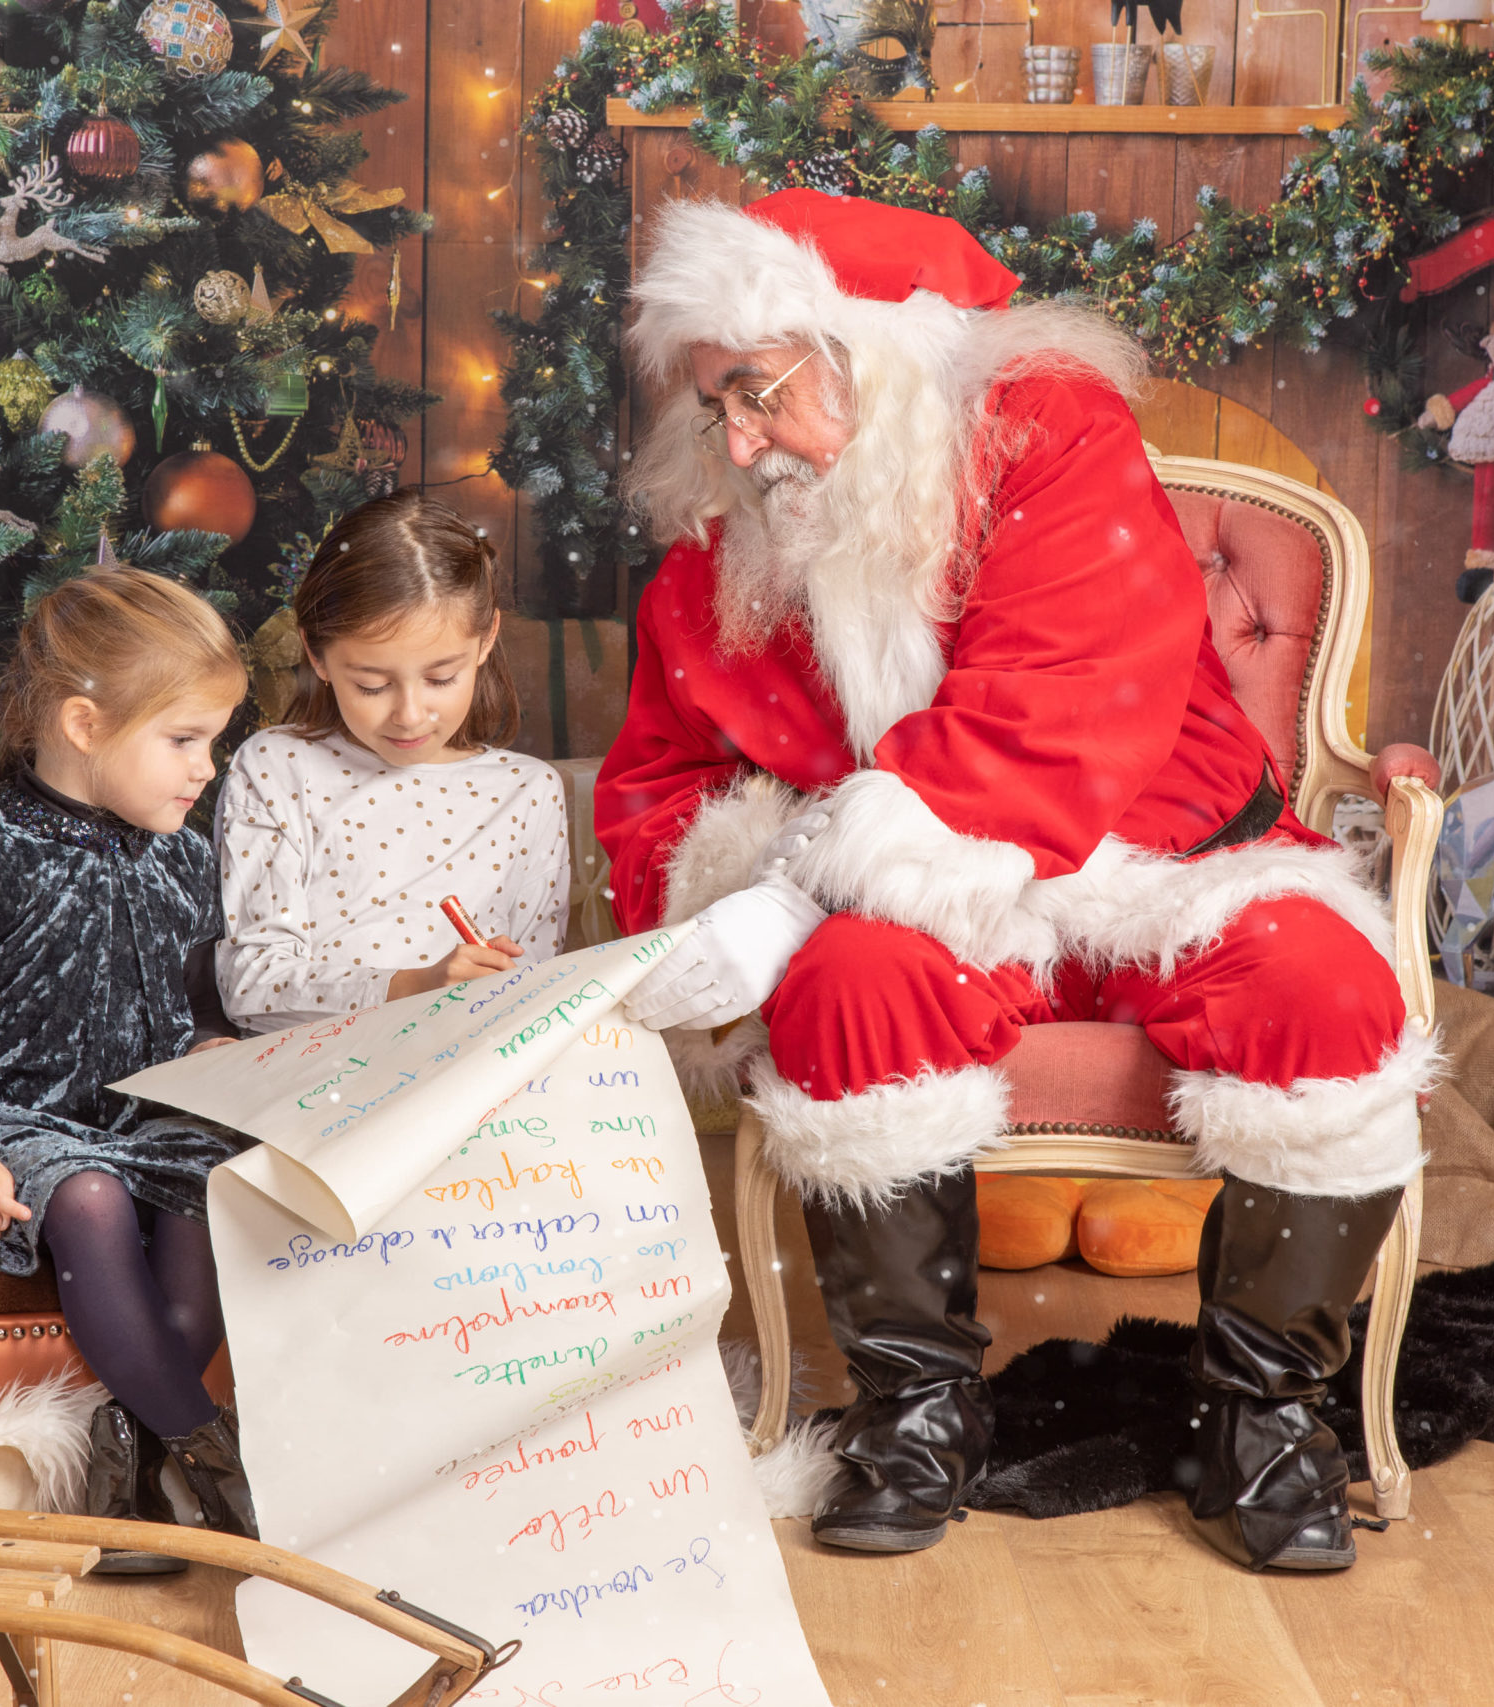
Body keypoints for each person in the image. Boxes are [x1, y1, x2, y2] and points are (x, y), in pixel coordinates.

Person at [597, 189, 1440, 1570]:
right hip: (922, 909)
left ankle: (1262, 1418)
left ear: (870, 352)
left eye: (756, 393)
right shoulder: (740, 533)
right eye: (716, 407)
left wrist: (793, 893)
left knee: (1324, 990)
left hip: (1167, 859)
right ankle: (919, 1412)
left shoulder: (1051, 429)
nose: (736, 442)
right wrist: (701, 900)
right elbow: (662, 769)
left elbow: (1054, 705)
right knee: (848, 989)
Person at [0, 567, 254, 1575]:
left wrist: (216, 1050)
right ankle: (225, 1474)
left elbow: (198, 1009)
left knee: (213, 1186)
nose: (206, 769)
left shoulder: (185, 857)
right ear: (85, 724)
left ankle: (128, 1479)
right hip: (23, 1119)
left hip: (153, 1117)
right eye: (185, 740)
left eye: (213, 742)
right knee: (88, 1197)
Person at [216, 491, 569, 1032]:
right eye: (372, 685)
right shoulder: (276, 768)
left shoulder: (530, 792)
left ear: (486, 640)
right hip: (312, 1072)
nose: (409, 715)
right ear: (316, 655)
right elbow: (252, 985)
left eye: (441, 678)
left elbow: (536, 991)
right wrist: (411, 988)